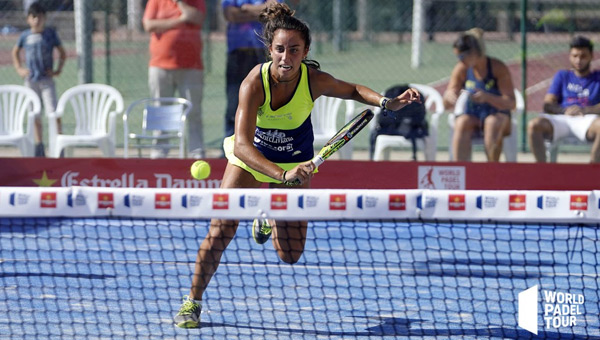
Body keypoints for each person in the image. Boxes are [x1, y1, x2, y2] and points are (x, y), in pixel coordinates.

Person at [172, 2, 421, 329]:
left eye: (293, 50)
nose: (285, 57)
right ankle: (193, 302)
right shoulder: (254, 83)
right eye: (279, 49)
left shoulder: (314, 80)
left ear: (305, 52)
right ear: (269, 50)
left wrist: (387, 102)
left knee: (290, 255)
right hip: (252, 161)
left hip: (295, 162)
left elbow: (354, 90)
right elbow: (244, 145)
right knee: (220, 230)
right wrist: (280, 175)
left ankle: (268, 216)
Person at [142, 0, 206, 158]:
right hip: (160, 64)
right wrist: (182, 20)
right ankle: (160, 150)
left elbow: (197, 18)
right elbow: (149, 25)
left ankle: (195, 151)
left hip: (191, 65)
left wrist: (179, 3)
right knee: (161, 109)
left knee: (193, 111)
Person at [443, 28, 516, 162]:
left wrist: (487, 97)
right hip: (474, 115)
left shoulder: (497, 68)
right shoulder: (461, 69)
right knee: (462, 122)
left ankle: (491, 171)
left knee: (492, 122)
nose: (459, 61)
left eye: (461, 57)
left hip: (498, 116)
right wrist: (448, 96)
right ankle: (461, 170)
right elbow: (446, 104)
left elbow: (511, 103)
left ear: (474, 53)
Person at [527, 35, 600, 163]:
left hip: (587, 120)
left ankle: (593, 169)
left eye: (583, 56)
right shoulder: (562, 75)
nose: (578, 60)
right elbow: (548, 104)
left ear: (591, 56)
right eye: (575, 56)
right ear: (570, 56)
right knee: (534, 125)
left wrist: (585, 110)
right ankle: (542, 169)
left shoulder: (597, 77)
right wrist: (564, 111)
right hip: (562, 118)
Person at [11, 1, 66, 157]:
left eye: (40, 17)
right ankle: (39, 145)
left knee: (53, 112)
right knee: (34, 114)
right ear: (28, 19)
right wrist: (19, 69)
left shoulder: (50, 34)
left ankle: (58, 145)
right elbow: (15, 52)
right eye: (33, 17)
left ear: (45, 18)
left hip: (46, 81)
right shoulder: (25, 36)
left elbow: (62, 53)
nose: (37, 20)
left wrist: (57, 70)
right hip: (31, 80)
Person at [222, 0, 279, 141]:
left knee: (268, 100)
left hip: (264, 52)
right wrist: (261, 12)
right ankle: (231, 146)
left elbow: (276, 10)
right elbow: (231, 15)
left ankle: (266, 145)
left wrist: (245, 9)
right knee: (234, 101)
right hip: (238, 53)